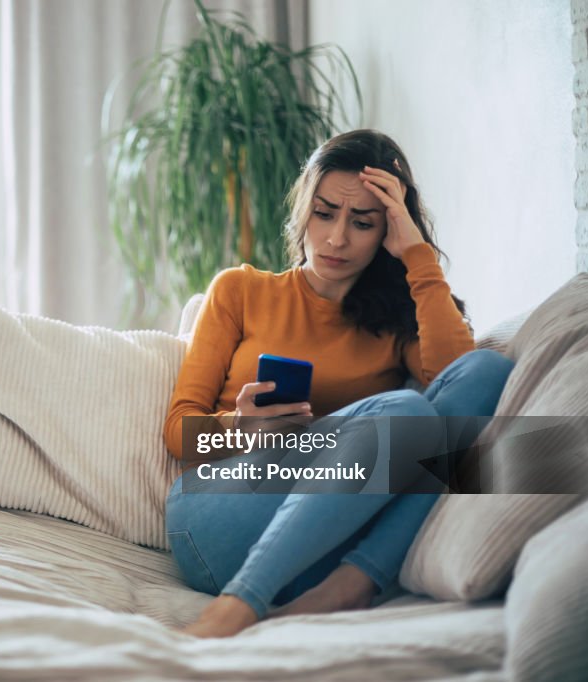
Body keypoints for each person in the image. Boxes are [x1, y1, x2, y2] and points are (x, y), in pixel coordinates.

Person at [162, 129, 515, 638]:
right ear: (304, 208)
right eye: (324, 213)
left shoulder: (398, 322)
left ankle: (352, 584)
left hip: (322, 552)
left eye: (363, 222)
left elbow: (462, 383)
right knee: (406, 413)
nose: (336, 239)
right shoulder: (240, 291)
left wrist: (417, 254)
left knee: (488, 372)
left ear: (388, 229)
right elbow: (177, 431)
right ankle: (238, 604)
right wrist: (240, 429)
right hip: (219, 519)